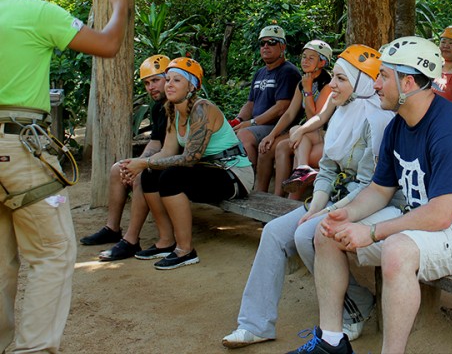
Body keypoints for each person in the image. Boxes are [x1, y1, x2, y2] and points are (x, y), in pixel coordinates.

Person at [286, 36, 452, 354]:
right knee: (327, 231)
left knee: (396, 250)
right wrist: (347, 214)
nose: (375, 84)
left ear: (408, 82)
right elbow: (379, 189)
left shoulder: (450, 129)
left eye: (383, 76)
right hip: (421, 221)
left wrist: (372, 232)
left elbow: (441, 214)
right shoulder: (398, 125)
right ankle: (331, 341)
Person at [0, 0, 130, 353]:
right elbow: (107, 44)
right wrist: (118, 7)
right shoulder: (37, 13)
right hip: (18, 147)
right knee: (52, 251)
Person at [222, 45, 394, 349]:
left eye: (341, 79)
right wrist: (315, 207)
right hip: (336, 197)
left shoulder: (377, 121)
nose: (332, 85)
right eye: (334, 78)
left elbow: (371, 186)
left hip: (366, 203)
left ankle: (354, 307)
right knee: (274, 232)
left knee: (306, 235)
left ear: (363, 82)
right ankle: (255, 324)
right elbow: (327, 169)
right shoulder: (343, 112)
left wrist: (323, 213)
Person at [121, 57, 254, 270]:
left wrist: (144, 162)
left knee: (172, 177)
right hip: (208, 169)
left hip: (234, 174)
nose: (169, 85)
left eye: (177, 80)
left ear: (191, 86)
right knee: (150, 175)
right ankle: (166, 241)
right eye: (168, 80)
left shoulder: (202, 109)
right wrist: (138, 164)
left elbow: (190, 158)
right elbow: (167, 151)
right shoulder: (173, 110)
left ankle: (185, 250)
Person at [80, 55, 178, 262]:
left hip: (177, 163)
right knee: (118, 168)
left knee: (143, 177)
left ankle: (131, 240)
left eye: (155, 80)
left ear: (169, 78)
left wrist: (140, 167)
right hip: (161, 160)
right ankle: (112, 228)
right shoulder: (157, 107)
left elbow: (172, 150)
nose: (151, 87)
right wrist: (135, 164)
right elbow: (155, 143)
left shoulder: (177, 106)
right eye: (147, 83)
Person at [254, 39, 333, 194]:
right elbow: (290, 113)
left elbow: (315, 118)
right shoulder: (303, 82)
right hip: (308, 132)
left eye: (311, 58)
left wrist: (308, 90)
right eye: (304, 57)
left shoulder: (328, 84)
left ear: (322, 62)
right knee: (276, 147)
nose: (305, 61)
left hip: (322, 132)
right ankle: (276, 196)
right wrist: (272, 135)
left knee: (296, 132)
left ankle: (295, 185)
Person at [232, 25, 301, 169]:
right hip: (259, 125)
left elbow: (282, 108)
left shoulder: (288, 72)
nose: (266, 46)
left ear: (282, 47)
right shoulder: (260, 72)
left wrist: (252, 123)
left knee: (244, 135)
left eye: (272, 42)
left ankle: (249, 177)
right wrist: (238, 120)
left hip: (279, 127)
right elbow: (250, 103)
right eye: (262, 43)